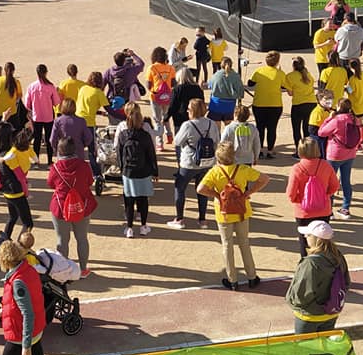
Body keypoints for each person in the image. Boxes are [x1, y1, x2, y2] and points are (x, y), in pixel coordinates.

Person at [198, 144, 270, 290]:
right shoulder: (242, 169)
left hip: (224, 213)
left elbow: (200, 189)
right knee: (244, 243)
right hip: (242, 211)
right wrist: (248, 193)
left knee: (227, 245)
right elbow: (264, 179)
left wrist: (217, 195)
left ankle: (232, 280)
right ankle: (252, 276)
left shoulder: (215, 172)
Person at [287, 220, 348, 333]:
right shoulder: (338, 256)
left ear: (316, 239)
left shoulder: (310, 263)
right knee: (325, 343)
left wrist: (292, 301)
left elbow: (301, 295)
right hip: (331, 313)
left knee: (305, 344)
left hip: (309, 316)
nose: (305, 236)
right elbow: (346, 281)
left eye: (308, 235)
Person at [47, 138, 96, 276]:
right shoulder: (84, 165)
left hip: (60, 207)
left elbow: (50, 184)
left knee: (62, 240)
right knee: (82, 238)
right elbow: (90, 182)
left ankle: (63, 271)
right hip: (82, 206)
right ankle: (83, 269)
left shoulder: (55, 168)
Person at [0, 239, 47, 355]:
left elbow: (28, 314)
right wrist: (4, 310)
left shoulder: (17, 282)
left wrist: (26, 347)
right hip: (36, 330)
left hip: (20, 336)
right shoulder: (29, 269)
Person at [168, 99, 217, 229]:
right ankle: (202, 220)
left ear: (193, 111)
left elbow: (177, 141)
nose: (187, 111)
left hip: (189, 162)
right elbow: (216, 141)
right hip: (207, 162)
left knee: (180, 188)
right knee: (202, 190)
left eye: (189, 109)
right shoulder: (211, 123)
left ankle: (179, 219)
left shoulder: (188, 125)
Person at [286, 137, 339, 257]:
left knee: (304, 242)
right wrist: (324, 195)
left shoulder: (297, 168)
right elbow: (335, 185)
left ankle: (306, 263)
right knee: (323, 240)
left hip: (303, 211)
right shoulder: (325, 165)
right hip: (323, 208)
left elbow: (290, 193)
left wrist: (298, 200)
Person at [115, 104, 157, 239]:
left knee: (129, 200)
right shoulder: (145, 135)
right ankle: (143, 226)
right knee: (143, 199)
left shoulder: (123, 134)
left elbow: (118, 152)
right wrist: (155, 171)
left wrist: (122, 168)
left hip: (128, 172)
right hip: (144, 171)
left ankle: (129, 228)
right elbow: (151, 154)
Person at [317, 98, 363, 219]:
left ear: (339, 107)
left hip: (335, 154)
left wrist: (328, 119)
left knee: (329, 182)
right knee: (346, 181)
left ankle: (329, 210)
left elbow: (321, 132)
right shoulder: (355, 119)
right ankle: (346, 208)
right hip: (350, 154)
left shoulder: (337, 120)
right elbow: (361, 132)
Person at [246, 51, 286, 159]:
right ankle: (270, 151)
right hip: (275, 104)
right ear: (277, 61)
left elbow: (250, 83)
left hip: (259, 104)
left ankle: (259, 150)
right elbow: (284, 86)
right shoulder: (280, 73)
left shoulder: (259, 71)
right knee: (272, 128)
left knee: (260, 128)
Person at [23, 65, 63, 165]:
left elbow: (27, 104)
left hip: (36, 116)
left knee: (37, 139)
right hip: (48, 116)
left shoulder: (32, 86)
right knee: (49, 139)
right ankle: (49, 160)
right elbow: (56, 102)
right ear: (46, 73)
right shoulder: (50, 86)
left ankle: (36, 160)